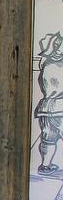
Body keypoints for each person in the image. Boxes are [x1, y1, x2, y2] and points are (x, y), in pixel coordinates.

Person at [37, 32, 63, 174]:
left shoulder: (46, 63)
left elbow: (42, 84)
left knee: (48, 138)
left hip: (46, 107)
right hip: (61, 106)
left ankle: (45, 166)